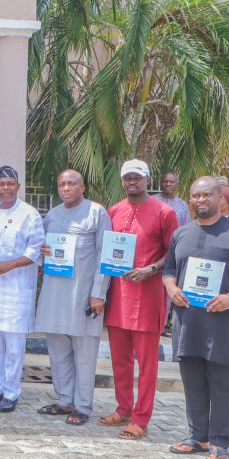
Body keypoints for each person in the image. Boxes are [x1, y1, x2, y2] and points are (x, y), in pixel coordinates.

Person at [163, 177, 229, 459]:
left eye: (207, 194)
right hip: (188, 321)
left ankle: (220, 442)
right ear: (190, 199)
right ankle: (198, 437)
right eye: (196, 195)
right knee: (193, 382)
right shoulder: (181, 234)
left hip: (224, 322)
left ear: (219, 197)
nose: (201, 199)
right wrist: (171, 288)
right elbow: (169, 269)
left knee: (223, 385)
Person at [98, 159, 179, 440]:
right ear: (122, 180)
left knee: (146, 364)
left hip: (147, 297)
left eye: (137, 177)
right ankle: (123, 409)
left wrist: (152, 269)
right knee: (120, 360)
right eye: (127, 177)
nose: (132, 182)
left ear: (147, 179)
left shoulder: (164, 212)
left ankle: (141, 418)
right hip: (118, 297)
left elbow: (174, 253)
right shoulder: (114, 210)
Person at [33, 169, 110, 425]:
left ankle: (83, 406)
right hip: (55, 294)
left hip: (83, 295)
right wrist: (43, 250)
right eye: (62, 184)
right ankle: (65, 399)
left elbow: (104, 256)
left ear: (83, 187)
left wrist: (98, 294)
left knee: (84, 354)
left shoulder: (97, 213)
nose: (66, 188)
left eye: (71, 183)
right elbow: (42, 250)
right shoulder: (53, 214)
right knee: (58, 352)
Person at [0, 165, 45, 412]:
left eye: (10, 184)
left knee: (13, 345)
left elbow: (35, 250)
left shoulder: (29, 214)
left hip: (16, 289)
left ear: (18, 186)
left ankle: (12, 393)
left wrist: (10, 264)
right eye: (1, 184)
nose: (6, 188)